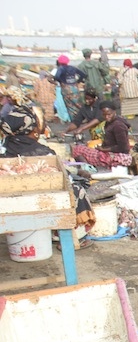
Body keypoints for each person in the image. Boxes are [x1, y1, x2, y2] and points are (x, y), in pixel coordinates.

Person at [0, 88, 95, 248]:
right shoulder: (43, 152)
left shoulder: (4, 149)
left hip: (10, 203)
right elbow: (65, 177)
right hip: (42, 204)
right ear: (30, 130)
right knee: (76, 189)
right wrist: (78, 172)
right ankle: (66, 235)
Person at [71, 100, 131, 169]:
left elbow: (122, 148)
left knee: (78, 150)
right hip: (111, 152)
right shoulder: (110, 122)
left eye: (109, 114)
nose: (106, 117)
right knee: (82, 148)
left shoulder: (118, 126)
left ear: (114, 112)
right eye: (104, 115)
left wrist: (103, 149)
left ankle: (88, 169)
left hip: (119, 157)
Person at [53, 54, 86, 122]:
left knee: (70, 106)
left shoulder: (61, 68)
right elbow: (83, 75)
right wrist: (78, 81)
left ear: (59, 62)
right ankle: (83, 118)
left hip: (66, 89)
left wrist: (61, 81)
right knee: (78, 104)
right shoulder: (72, 67)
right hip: (75, 87)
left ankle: (74, 120)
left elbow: (56, 77)